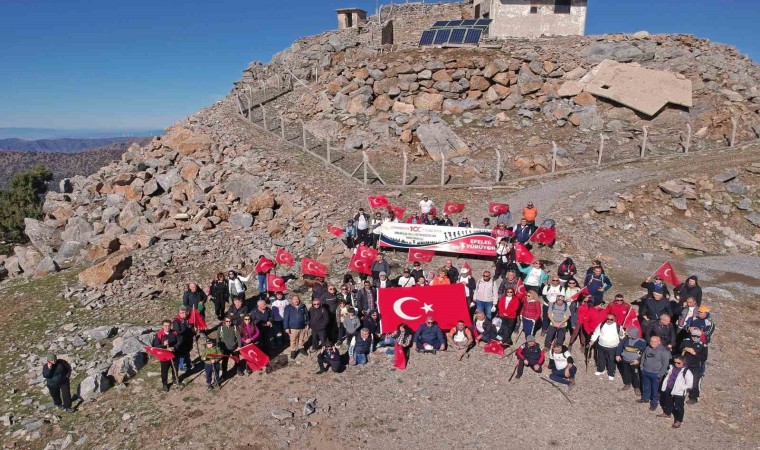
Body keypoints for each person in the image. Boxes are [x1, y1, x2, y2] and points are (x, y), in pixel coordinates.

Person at [658, 355, 693, 428]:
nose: (676, 364)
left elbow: (689, 384)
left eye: (678, 363)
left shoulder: (687, 372)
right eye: (675, 362)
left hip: (679, 392)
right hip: (669, 388)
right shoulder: (672, 367)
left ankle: (679, 420)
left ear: (683, 363)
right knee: (668, 402)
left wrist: (680, 388)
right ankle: (667, 413)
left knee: (679, 407)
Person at [638, 336, 671, 411]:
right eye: (651, 341)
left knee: (655, 389)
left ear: (659, 342)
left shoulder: (663, 351)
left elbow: (665, 364)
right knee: (645, 386)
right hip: (645, 371)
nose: (652, 343)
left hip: (656, 374)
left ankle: (654, 403)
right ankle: (645, 398)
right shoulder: (647, 348)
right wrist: (642, 367)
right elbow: (643, 358)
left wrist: (660, 374)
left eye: (655, 341)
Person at [590, 313, 623, 380]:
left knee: (611, 360)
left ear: (614, 319)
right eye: (607, 319)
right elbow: (596, 333)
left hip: (612, 347)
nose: (609, 320)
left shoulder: (619, 327)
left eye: (611, 319)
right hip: (601, 345)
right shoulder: (601, 325)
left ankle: (611, 373)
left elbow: (622, 337)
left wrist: (621, 334)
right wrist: (592, 340)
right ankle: (601, 370)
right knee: (600, 358)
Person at [616, 327, 646, 395]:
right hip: (625, 360)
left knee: (635, 375)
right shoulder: (626, 339)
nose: (627, 334)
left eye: (629, 334)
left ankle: (636, 387)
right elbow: (620, 346)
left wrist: (638, 360)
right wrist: (617, 354)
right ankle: (627, 383)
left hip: (634, 362)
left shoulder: (642, 342)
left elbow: (644, 353)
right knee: (626, 373)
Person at [680, 328, 708, 404]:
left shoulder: (703, 346)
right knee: (681, 379)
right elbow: (679, 349)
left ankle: (694, 397)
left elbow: (704, 358)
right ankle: (680, 394)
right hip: (685, 364)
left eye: (697, 336)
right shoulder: (686, 341)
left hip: (696, 366)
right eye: (693, 335)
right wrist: (684, 349)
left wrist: (694, 353)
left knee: (695, 382)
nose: (695, 337)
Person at [152, 320, 180, 391]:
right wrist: (163, 345)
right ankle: (165, 384)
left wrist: (174, 347)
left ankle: (175, 379)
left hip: (174, 354)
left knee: (175, 368)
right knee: (164, 371)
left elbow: (180, 341)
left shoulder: (174, 332)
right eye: (165, 325)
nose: (167, 327)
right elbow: (155, 346)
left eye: (168, 325)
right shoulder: (159, 334)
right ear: (162, 326)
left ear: (171, 325)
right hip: (164, 356)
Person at [171, 306, 195, 373]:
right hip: (181, 342)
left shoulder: (187, 320)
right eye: (182, 313)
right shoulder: (176, 321)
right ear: (179, 313)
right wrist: (188, 329)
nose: (183, 314)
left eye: (185, 312)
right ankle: (182, 369)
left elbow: (191, 331)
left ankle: (188, 365)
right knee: (182, 356)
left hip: (188, 341)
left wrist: (193, 331)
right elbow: (177, 332)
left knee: (187, 353)